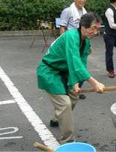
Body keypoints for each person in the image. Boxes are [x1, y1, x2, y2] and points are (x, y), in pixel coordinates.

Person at [37, 12, 105, 144]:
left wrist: (76, 83)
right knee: (65, 104)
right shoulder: (71, 36)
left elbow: (82, 63)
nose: (96, 32)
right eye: (93, 28)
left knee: (73, 96)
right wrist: (94, 83)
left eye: (98, 28)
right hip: (50, 71)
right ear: (83, 27)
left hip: (66, 71)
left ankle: (57, 118)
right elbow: (74, 61)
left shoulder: (86, 42)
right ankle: (67, 141)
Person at [59, 0, 88, 100]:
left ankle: (77, 90)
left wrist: (88, 46)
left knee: (81, 67)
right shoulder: (68, 11)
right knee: (70, 67)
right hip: (70, 43)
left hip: (81, 43)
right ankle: (67, 90)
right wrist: (63, 44)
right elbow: (62, 27)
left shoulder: (84, 12)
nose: (82, 0)